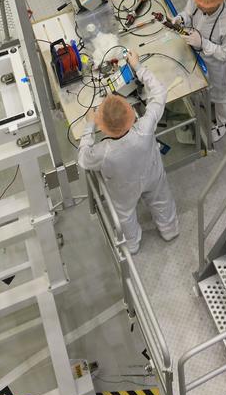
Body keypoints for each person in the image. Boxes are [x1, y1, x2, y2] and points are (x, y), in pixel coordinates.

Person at [77, 48, 179, 254]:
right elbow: (159, 92)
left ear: (102, 126)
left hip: (123, 190)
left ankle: (132, 245)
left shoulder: (102, 151)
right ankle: (169, 230)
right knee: (162, 200)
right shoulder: (145, 127)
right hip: (152, 175)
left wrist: (89, 126)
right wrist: (138, 67)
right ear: (132, 114)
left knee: (125, 216)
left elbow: (83, 159)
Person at [180, 0, 226, 142]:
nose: (197, 5)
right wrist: (180, 19)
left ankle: (223, 121)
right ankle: (203, 101)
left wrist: (203, 43)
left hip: (214, 64)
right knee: (199, 82)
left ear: (214, 4)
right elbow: (188, 13)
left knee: (220, 92)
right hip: (194, 53)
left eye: (202, 5)